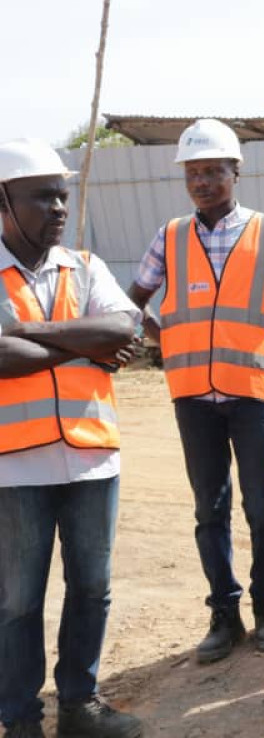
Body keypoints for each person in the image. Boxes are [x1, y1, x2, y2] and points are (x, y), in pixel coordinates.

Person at [128, 119, 264, 666]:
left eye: (213, 170)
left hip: (254, 391)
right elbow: (130, 303)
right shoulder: (169, 236)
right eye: (194, 172)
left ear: (237, 171)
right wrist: (166, 340)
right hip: (192, 395)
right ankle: (224, 613)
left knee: (262, 506)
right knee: (210, 509)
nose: (202, 181)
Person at [0, 139, 143, 738]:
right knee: (16, 603)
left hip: (90, 461)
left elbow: (123, 325)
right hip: (14, 467)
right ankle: (21, 717)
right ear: (3, 202)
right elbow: (1, 357)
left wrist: (35, 331)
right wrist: (82, 345)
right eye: (43, 197)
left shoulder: (86, 267)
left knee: (92, 588)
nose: (58, 207)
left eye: (63, 196)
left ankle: (79, 705)